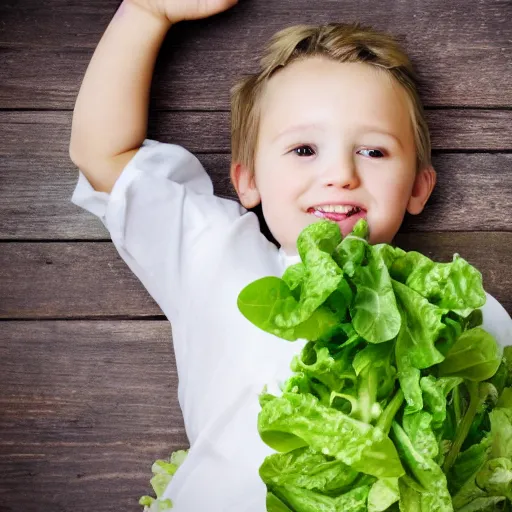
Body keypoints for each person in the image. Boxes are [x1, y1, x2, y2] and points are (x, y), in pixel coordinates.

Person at [68, 0, 512, 510]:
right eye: (304, 150)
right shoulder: (217, 257)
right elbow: (102, 153)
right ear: (248, 181)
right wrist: (147, 13)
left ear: (418, 186)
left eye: (373, 151)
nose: (340, 173)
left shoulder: (464, 313)